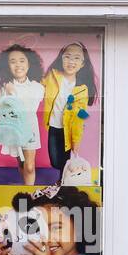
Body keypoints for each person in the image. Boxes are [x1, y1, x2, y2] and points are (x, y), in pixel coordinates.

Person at [0, 44, 45, 185]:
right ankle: (26, 188)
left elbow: (25, 108)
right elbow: (2, 109)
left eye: (22, 60)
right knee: (21, 163)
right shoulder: (4, 87)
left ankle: (30, 194)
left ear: (29, 64)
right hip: (12, 128)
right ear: (7, 66)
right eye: (12, 61)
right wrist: (7, 92)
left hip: (30, 129)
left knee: (29, 165)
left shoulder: (37, 87)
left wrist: (12, 93)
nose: (18, 65)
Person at [41, 42, 98, 173]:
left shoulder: (82, 89)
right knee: (55, 162)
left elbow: (80, 117)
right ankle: (62, 181)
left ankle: (62, 184)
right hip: (54, 126)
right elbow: (39, 87)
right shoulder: (52, 76)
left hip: (69, 129)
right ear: (61, 59)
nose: (71, 61)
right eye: (67, 56)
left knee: (64, 162)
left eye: (77, 58)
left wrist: (76, 141)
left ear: (83, 64)